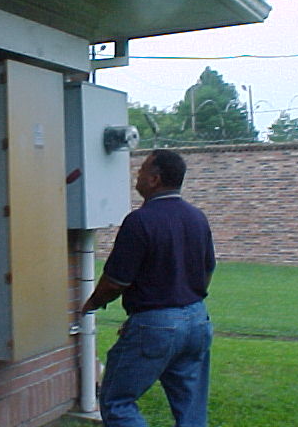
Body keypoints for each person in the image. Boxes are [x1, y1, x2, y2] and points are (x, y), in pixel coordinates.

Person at [82, 149, 216, 427]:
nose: (137, 174)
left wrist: (91, 304)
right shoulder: (197, 217)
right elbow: (207, 270)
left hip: (156, 326)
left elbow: (115, 282)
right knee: (191, 409)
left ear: (154, 180)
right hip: (197, 321)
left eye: (142, 169)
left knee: (117, 401)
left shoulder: (139, 221)